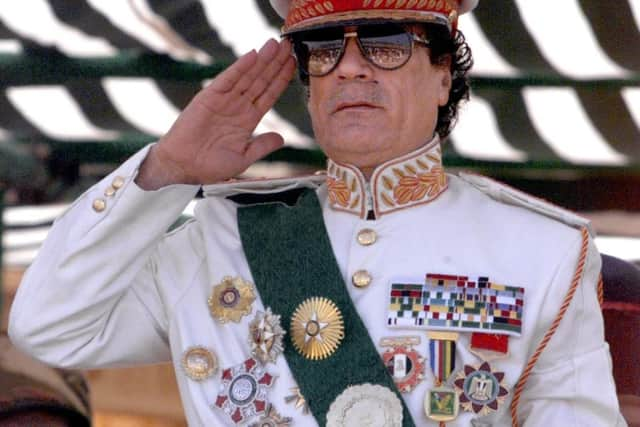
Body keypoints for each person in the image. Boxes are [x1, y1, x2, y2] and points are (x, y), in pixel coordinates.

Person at [8, 1, 627, 426]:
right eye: (323, 48)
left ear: (444, 73)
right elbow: (50, 329)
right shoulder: (217, 237)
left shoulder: (541, 251)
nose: (350, 65)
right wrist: (166, 172)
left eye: (384, 43)